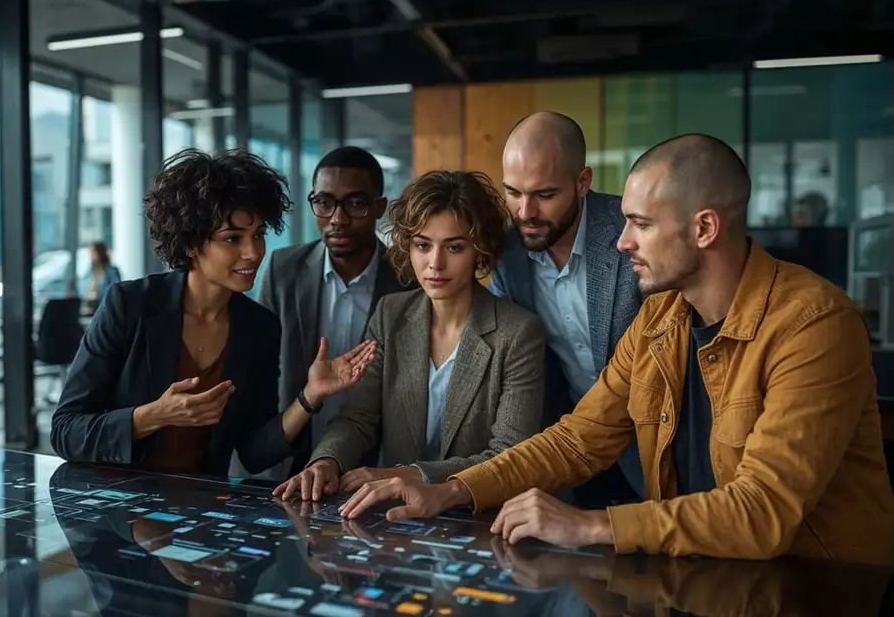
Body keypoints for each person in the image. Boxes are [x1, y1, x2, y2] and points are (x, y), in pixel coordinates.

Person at [340, 134, 894, 566]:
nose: (622, 240)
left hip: (816, 602)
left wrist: (594, 525)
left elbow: (763, 512)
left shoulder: (814, 324)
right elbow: (579, 438)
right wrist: (451, 490)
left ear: (703, 228)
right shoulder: (661, 316)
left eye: (640, 224)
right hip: (703, 581)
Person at [51, 148, 376, 477]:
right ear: (192, 243)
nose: (253, 253)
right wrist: (155, 415)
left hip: (199, 511)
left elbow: (254, 452)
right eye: (232, 238)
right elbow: (66, 430)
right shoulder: (129, 304)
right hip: (115, 504)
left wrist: (310, 396)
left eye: (259, 235)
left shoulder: (259, 326)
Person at [273, 170, 546, 501]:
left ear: (480, 251)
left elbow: (509, 456)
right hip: (393, 521)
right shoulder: (392, 314)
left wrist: (409, 475)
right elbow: (358, 418)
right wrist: (327, 461)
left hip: (478, 518)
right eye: (422, 245)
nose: (435, 263)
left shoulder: (518, 332)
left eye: (455, 247)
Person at [492, 111, 643, 504]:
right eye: (513, 192)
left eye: (544, 195)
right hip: (575, 450)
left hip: (658, 441)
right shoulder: (505, 253)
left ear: (582, 182)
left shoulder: (633, 232)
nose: (525, 212)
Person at [256, 146, 410, 479]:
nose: (337, 219)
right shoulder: (283, 269)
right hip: (288, 461)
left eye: (355, 203)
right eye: (324, 202)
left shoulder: (408, 280)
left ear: (378, 207)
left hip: (373, 469)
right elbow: (260, 373)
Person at [83, 241, 121, 313]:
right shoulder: (90, 271)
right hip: (92, 309)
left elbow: (114, 291)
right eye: (90, 253)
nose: (90, 255)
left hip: (106, 309)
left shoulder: (112, 271)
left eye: (93, 252)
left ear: (100, 253)